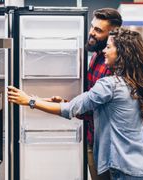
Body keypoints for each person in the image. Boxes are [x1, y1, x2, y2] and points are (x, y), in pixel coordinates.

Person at [8, 27, 143, 180]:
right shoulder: (138, 81)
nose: (104, 51)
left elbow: (70, 109)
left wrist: (30, 101)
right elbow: (99, 109)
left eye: (108, 47)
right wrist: (50, 101)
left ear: (122, 52)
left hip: (123, 168)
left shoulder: (110, 85)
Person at [47, 8, 122, 180]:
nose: (91, 33)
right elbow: (91, 97)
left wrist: (33, 102)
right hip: (92, 137)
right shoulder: (97, 55)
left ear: (113, 34)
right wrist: (67, 102)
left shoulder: (114, 66)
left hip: (108, 146)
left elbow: (94, 105)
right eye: (92, 27)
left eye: (98, 30)